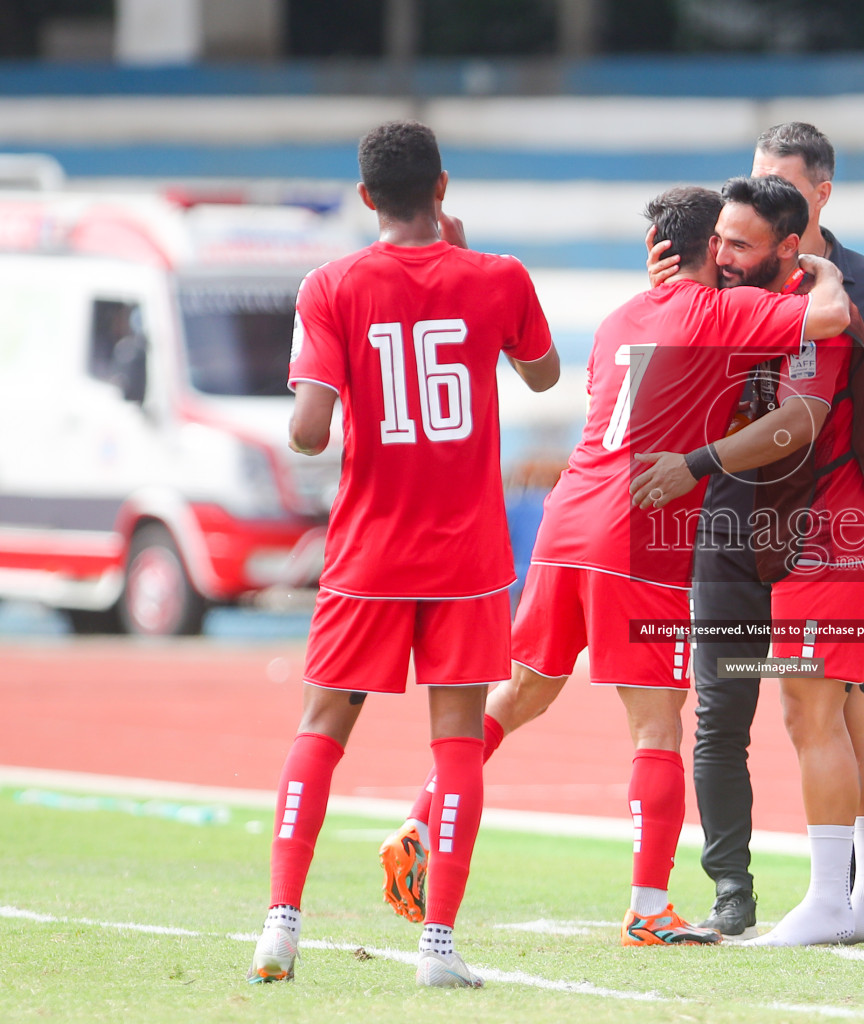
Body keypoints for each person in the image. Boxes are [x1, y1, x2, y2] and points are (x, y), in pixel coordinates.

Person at [378, 182, 853, 946]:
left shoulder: (617, 319)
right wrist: (824, 268)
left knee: (524, 692)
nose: (732, 257)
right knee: (658, 726)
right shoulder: (722, 310)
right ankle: (647, 903)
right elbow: (830, 315)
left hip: (566, 520)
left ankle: (420, 817)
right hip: (636, 533)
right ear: (707, 249)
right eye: (725, 244)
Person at [248, 120, 560, 989]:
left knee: (322, 731)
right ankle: (437, 947)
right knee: (457, 746)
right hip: (465, 557)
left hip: (367, 555)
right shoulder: (499, 279)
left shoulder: (331, 285)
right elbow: (543, 375)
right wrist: (471, 270)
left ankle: (280, 922)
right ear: (443, 188)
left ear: (364, 199)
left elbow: (310, 433)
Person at [648, 121, 864, 940]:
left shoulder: (840, 296)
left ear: (806, 215)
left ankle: (838, 899)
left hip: (827, 531)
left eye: (742, 237)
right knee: (779, 713)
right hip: (763, 531)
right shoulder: (740, 285)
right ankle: (855, 896)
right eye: (722, 235)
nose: (724, 250)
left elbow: (846, 415)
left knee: (823, 712)